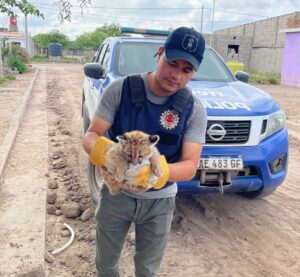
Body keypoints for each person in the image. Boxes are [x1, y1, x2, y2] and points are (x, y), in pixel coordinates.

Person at [83, 26, 207, 277]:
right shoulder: (121, 90)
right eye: (173, 63)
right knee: (106, 265)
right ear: (160, 53)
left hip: (159, 203)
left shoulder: (194, 109)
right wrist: (107, 155)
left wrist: (157, 173)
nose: (176, 75)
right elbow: (91, 135)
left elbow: (190, 165)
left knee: (147, 270)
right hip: (116, 196)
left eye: (187, 70)